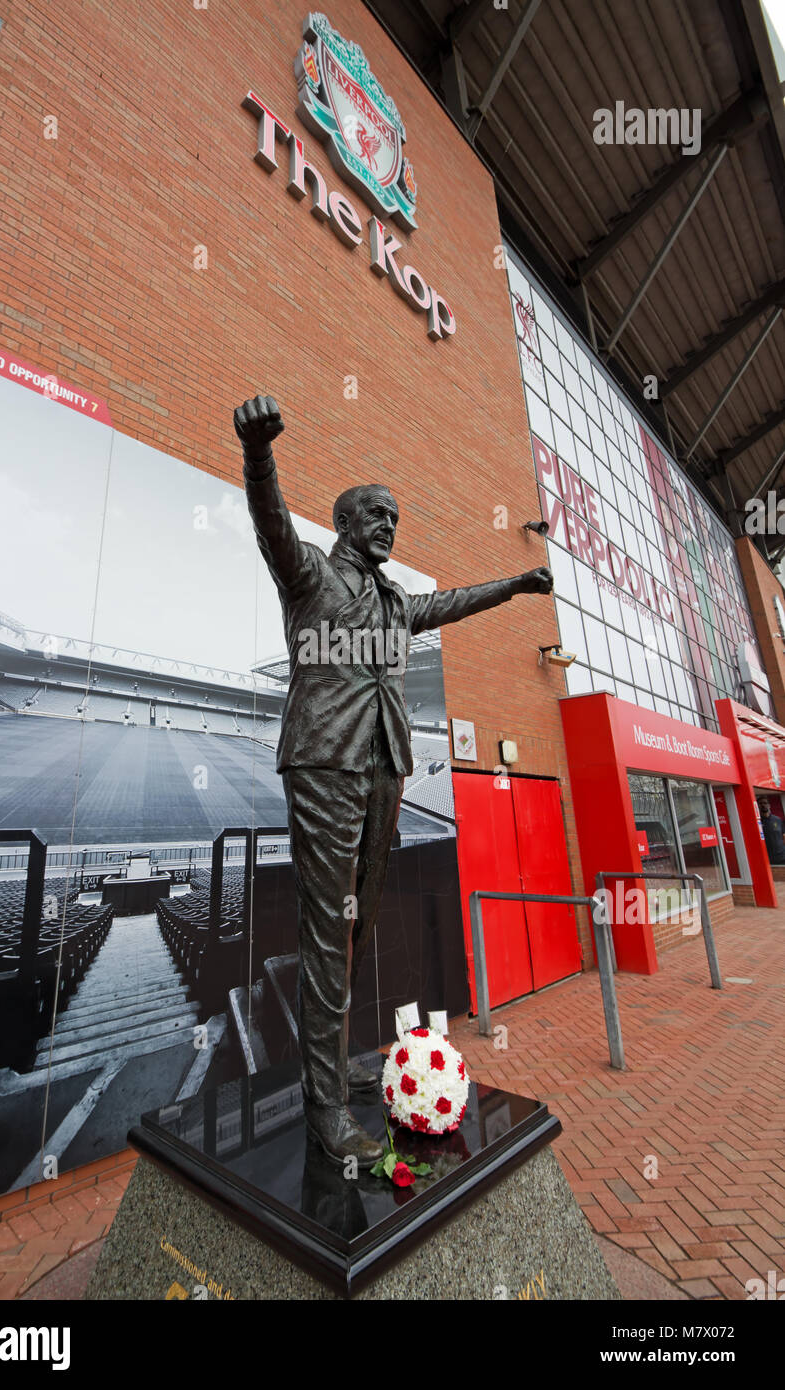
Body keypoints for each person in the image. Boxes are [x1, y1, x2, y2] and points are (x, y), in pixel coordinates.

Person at [234, 394, 554, 1164]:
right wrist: (257, 452)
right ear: (346, 523)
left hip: (383, 768)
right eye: (376, 514)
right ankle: (322, 1107)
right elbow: (271, 520)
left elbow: (450, 601)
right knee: (326, 934)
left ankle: (332, 1066)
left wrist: (512, 587)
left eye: (394, 518)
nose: (388, 525)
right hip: (324, 762)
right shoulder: (311, 576)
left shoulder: (393, 602)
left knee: (354, 927)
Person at [758, 797, 785, 865]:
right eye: (760, 803)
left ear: (769, 805)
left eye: (765, 803)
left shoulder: (777, 819)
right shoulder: (756, 821)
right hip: (767, 859)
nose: (763, 805)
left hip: (782, 856)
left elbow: (783, 836)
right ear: (757, 805)